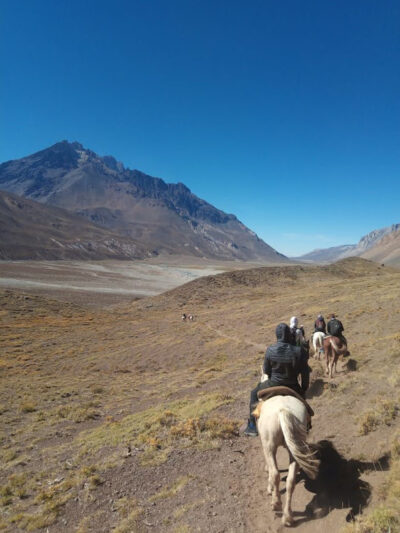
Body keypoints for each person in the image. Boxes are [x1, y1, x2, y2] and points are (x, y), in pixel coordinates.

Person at [243, 323, 310, 437]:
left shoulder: (270, 350)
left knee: (254, 393)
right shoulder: (299, 350)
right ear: (289, 335)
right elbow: (305, 373)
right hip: (293, 385)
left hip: (273, 383)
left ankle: (252, 426)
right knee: (305, 406)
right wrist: (303, 388)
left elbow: (267, 371)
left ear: (277, 336)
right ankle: (307, 424)